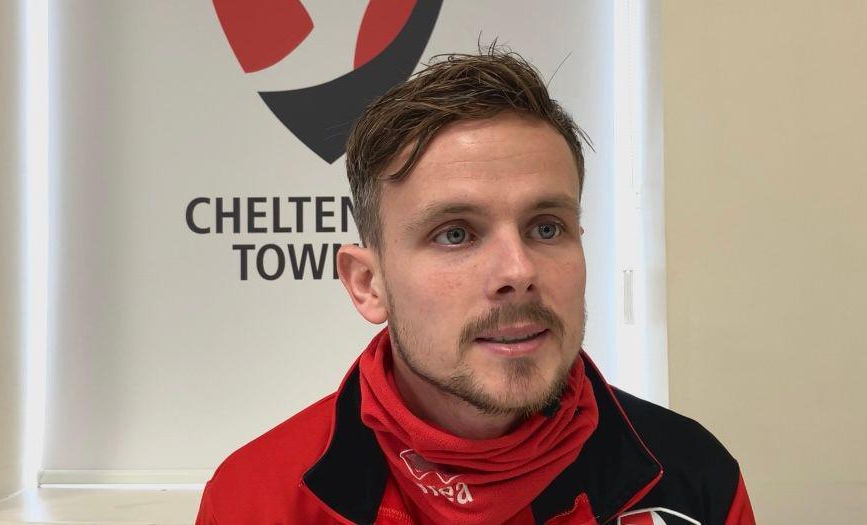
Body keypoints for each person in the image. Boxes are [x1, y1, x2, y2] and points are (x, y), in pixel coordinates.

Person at [195, 48, 755, 525]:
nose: (518, 270)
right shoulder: (259, 500)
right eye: (456, 234)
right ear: (369, 284)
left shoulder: (692, 480)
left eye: (546, 227)